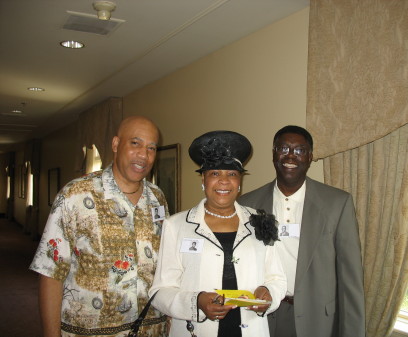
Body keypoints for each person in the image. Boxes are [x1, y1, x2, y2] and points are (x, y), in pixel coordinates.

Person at [30, 116, 169, 337]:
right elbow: (50, 272)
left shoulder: (157, 198)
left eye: (151, 148)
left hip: (151, 330)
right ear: (115, 144)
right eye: (135, 143)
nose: (144, 155)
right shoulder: (75, 195)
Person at [149, 130, 287, 337]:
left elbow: (276, 278)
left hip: (250, 328)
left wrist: (268, 295)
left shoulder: (259, 221)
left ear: (239, 182)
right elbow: (159, 291)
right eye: (215, 173)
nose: (224, 181)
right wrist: (196, 301)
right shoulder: (176, 225)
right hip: (196, 329)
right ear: (203, 180)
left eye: (231, 174)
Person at [239, 125, 365, 337]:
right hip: (264, 316)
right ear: (273, 153)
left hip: (318, 320)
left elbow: (350, 279)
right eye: (283, 149)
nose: (290, 156)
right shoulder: (247, 204)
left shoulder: (337, 203)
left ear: (310, 157)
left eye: (299, 150)